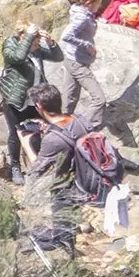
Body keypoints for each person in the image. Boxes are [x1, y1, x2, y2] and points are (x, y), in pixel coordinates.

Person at [22, 83, 93, 251]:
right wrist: (49, 128)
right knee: (69, 224)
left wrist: (25, 143)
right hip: (84, 180)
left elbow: (37, 169)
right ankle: (69, 243)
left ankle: (65, 257)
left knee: (62, 230)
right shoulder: (79, 120)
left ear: (39, 107)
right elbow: (71, 136)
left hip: (65, 187)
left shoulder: (52, 140)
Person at [0, 21, 61, 184]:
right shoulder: (10, 45)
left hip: (34, 98)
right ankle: (15, 167)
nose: (37, 45)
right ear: (23, 38)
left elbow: (58, 57)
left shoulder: (37, 49)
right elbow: (17, 58)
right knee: (15, 133)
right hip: (15, 98)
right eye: (35, 41)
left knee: (37, 130)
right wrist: (29, 38)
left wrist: (51, 43)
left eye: (38, 42)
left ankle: (39, 164)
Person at [60, 0, 106, 129]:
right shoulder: (82, 17)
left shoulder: (78, 9)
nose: (100, 6)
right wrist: (87, 45)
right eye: (98, 3)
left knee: (69, 99)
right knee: (99, 100)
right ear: (88, 3)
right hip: (77, 63)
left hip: (71, 59)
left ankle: (61, 128)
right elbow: (66, 36)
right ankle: (84, 127)